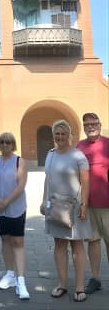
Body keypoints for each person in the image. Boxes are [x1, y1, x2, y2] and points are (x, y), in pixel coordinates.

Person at [40, 119, 92, 302]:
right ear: (53, 135)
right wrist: (43, 201)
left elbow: (85, 182)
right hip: (55, 206)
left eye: (63, 133)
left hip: (75, 207)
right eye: (57, 133)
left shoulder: (78, 156)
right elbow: (48, 179)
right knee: (59, 245)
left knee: (77, 245)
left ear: (69, 135)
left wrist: (84, 205)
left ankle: (79, 287)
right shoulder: (50, 154)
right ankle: (62, 284)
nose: (60, 137)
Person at [0, 132, 30, 300]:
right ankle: (10, 274)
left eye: (8, 142)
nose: (5, 145)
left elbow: (21, 185)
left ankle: (21, 280)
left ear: (13, 144)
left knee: (18, 241)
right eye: (2, 142)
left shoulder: (20, 161)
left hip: (16, 208)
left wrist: (7, 201)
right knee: (5, 239)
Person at [76, 113, 109, 294]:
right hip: (87, 204)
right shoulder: (79, 147)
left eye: (94, 123)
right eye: (87, 124)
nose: (90, 126)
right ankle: (95, 278)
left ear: (100, 124)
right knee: (93, 241)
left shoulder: (107, 144)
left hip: (108, 204)